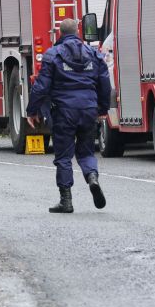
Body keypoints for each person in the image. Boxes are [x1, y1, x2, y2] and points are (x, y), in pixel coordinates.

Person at [26, 18, 112, 213]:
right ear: (78, 31)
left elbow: (41, 87)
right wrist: (103, 109)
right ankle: (92, 178)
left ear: (60, 33)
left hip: (63, 111)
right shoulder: (93, 54)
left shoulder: (52, 55)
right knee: (87, 152)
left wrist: (32, 110)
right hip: (88, 109)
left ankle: (66, 201)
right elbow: (104, 83)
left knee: (64, 156)